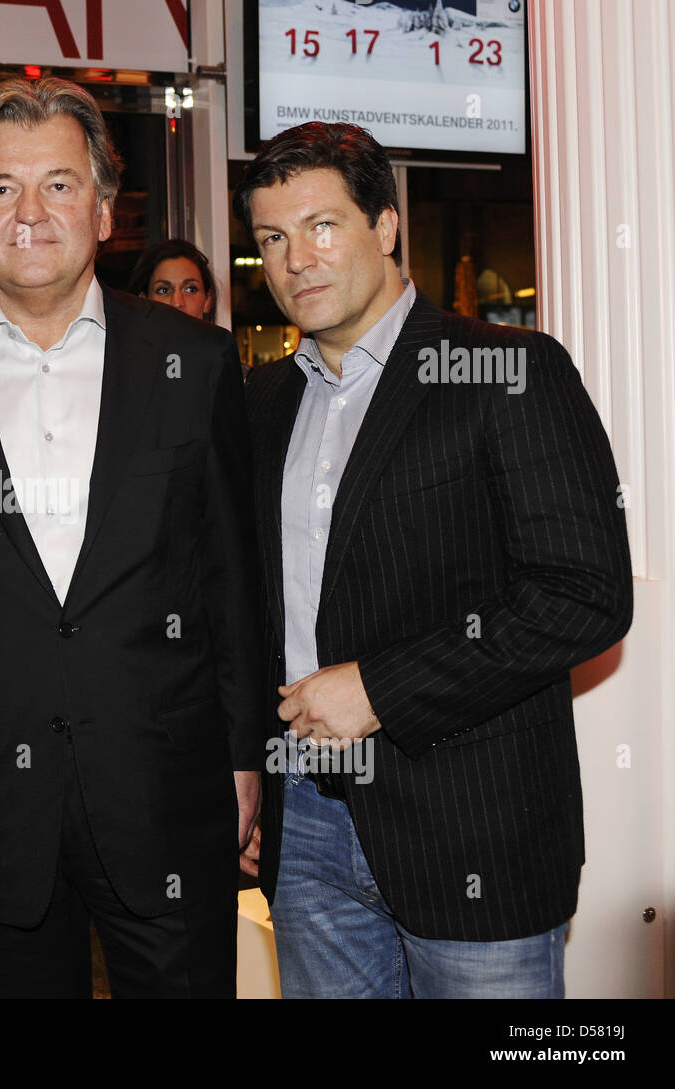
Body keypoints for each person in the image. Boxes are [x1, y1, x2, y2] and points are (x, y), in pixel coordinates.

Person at [0, 77, 266, 998]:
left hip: (170, 797)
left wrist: (247, 757)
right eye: (0, 188)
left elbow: (234, 582)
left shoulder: (192, 363)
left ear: (106, 211)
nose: (29, 211)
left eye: (60, 184)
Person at [236, 122, 632, 998]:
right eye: (273, 237)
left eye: (322, 226)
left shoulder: (508, 371)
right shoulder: (265, 399)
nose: (297, 257)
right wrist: (252, 772)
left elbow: (586, 596)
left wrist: (381, 687)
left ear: (385, 225)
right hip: (305, 826)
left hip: (472, 826)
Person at [127, 238, 218, 324]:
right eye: (164, 290)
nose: (177, 303)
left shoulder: (224, 340)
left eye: (190, 289)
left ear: (207, 300)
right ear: (143, 301)